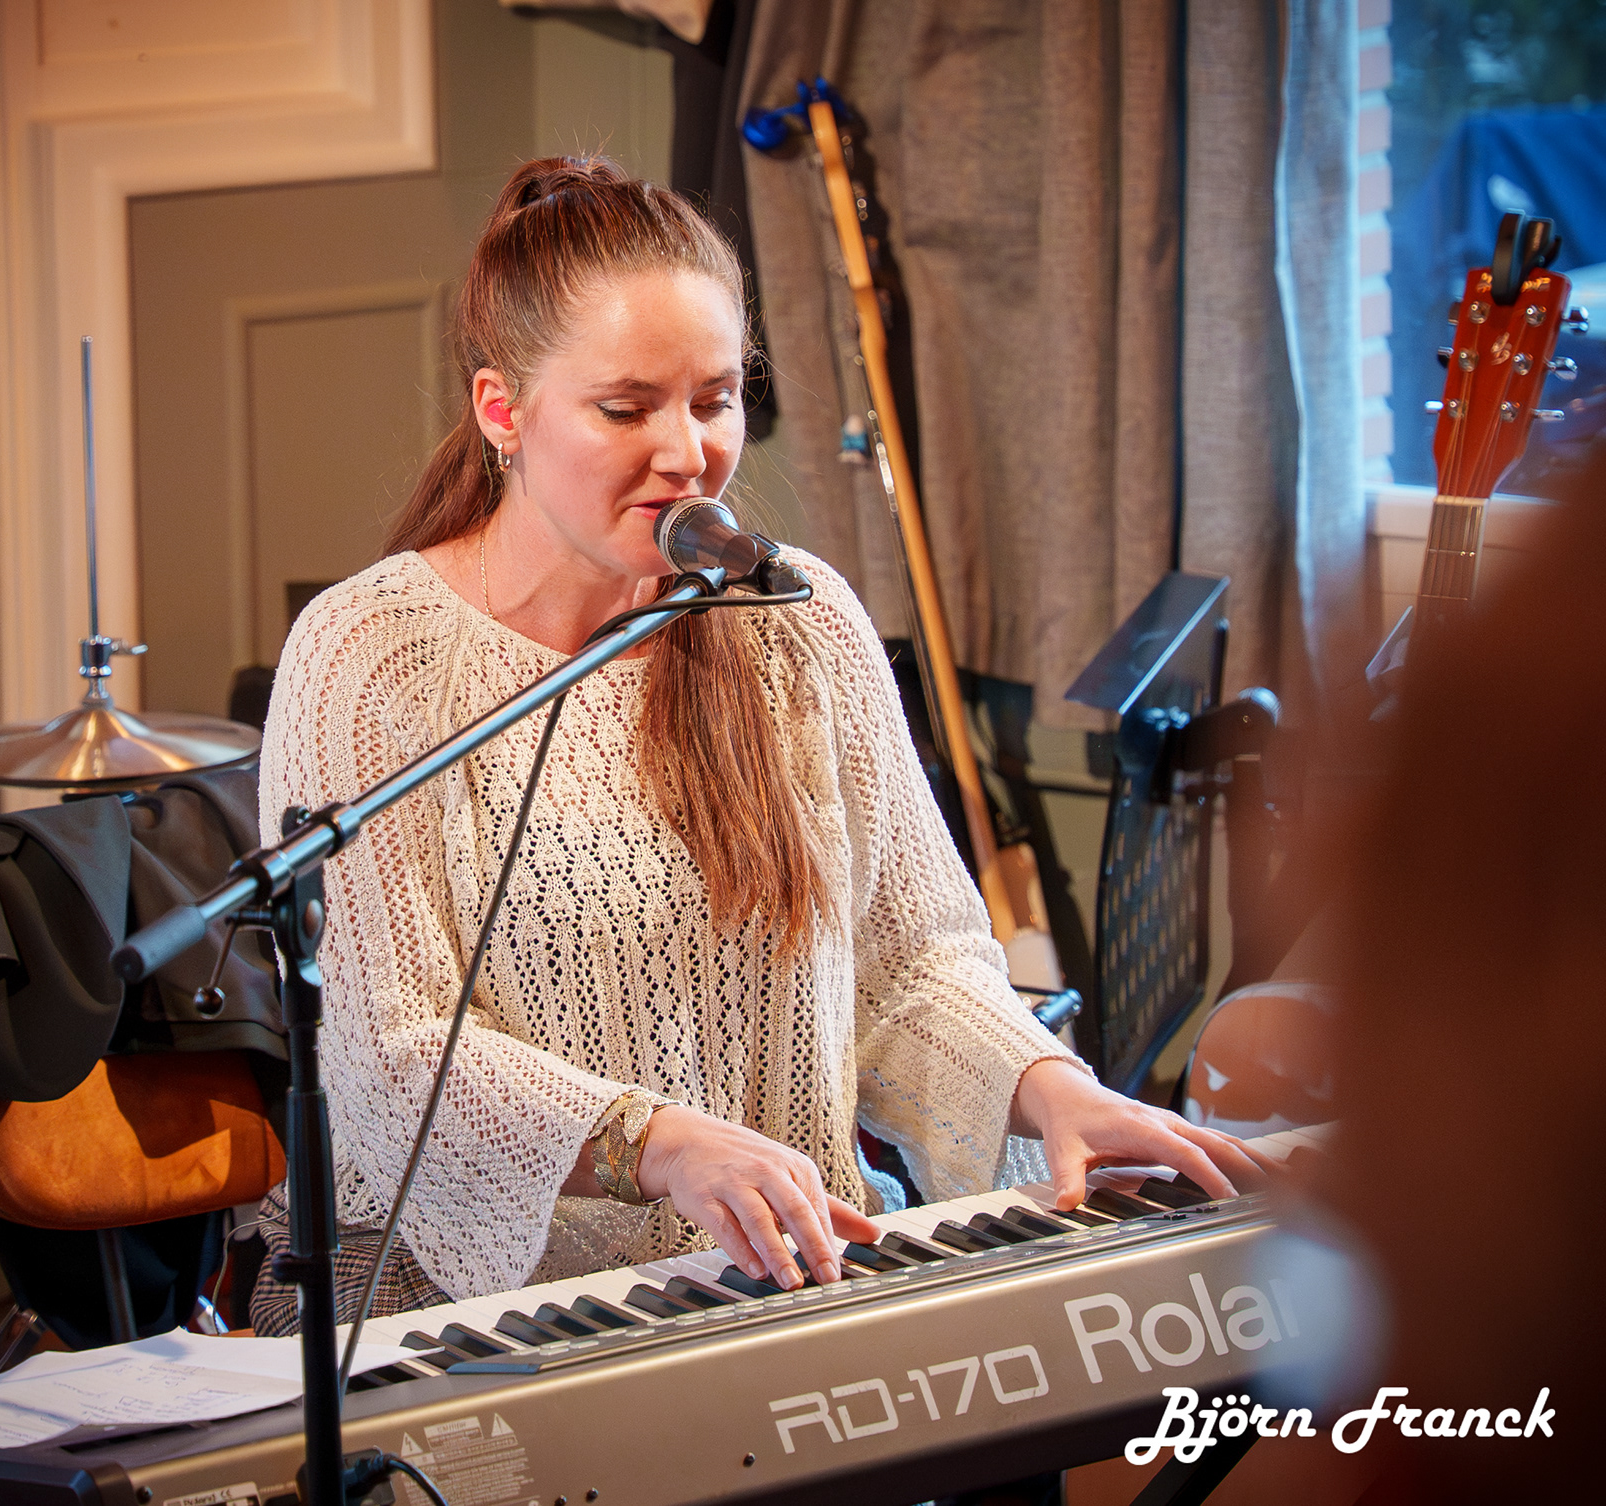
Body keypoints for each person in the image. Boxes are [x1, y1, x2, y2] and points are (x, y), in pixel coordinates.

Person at [250, 157, 1266, 1330]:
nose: (688, 452)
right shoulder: (370, 654)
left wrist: (1052, 1089)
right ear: (502, 411)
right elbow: (389, 1051)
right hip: (458, 1295)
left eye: (716, 399)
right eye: (627, 409)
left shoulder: (795, 621)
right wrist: (655, 1145)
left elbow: (914, 965)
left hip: (786, 1267)